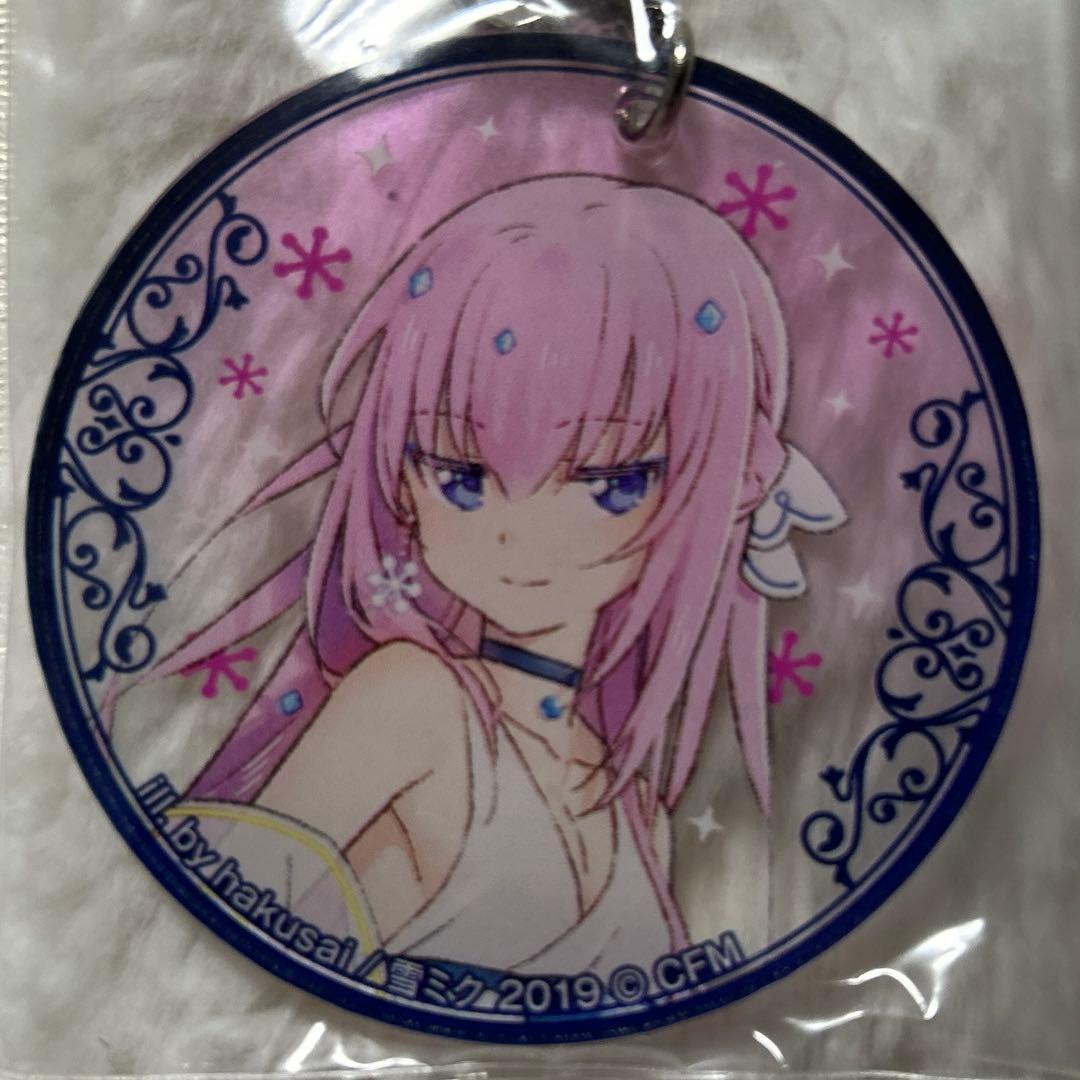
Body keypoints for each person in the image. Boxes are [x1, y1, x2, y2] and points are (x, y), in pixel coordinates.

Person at [133, 174, 844, 979]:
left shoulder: (640, 817)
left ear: (704, 489)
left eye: (611, 483)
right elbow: (202, 962)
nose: (519, 533)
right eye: (462, 476)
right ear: (402, 482)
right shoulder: (414, 701)